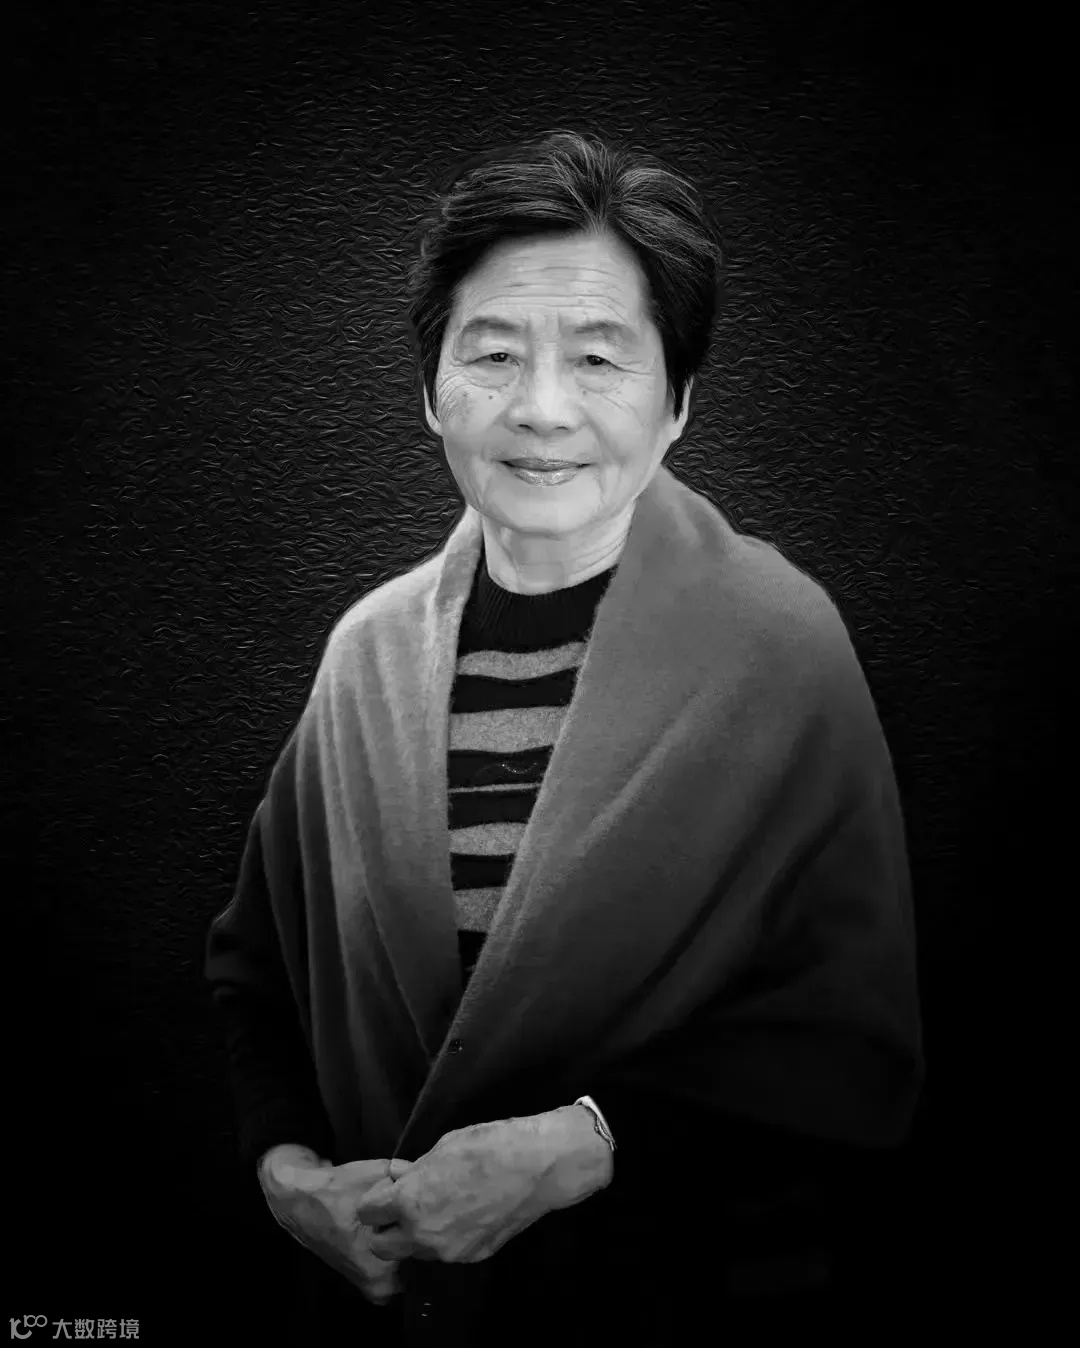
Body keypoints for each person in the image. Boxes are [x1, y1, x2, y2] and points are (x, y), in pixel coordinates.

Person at [203, 128, 924, 1347]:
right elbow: (256, 970)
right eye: (492, 353)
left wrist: (586, 1143)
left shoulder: (783, 648)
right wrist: (288, 1178)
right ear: (430, 389)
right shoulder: (365, 654)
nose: (541, 408)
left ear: (678, 402)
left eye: (599, 357)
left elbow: (855, 1049)